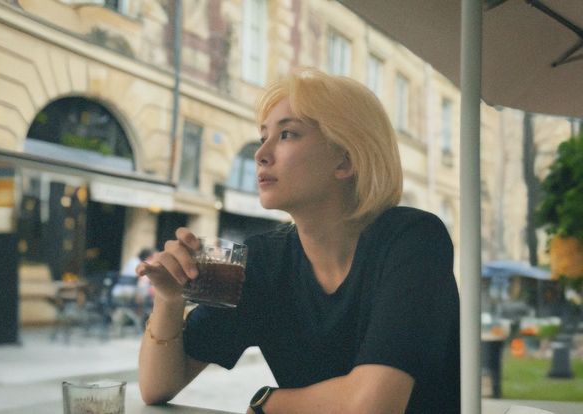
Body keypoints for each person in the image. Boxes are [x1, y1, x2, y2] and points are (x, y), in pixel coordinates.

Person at [136, 67, 460, 413]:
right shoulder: (264, 260)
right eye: (263, 137)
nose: (261, 153)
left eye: (287, 134)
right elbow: (156, 387)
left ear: (345, 159)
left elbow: (373, 405)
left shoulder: (412, 239)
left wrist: (269, 403)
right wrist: (169, 301)